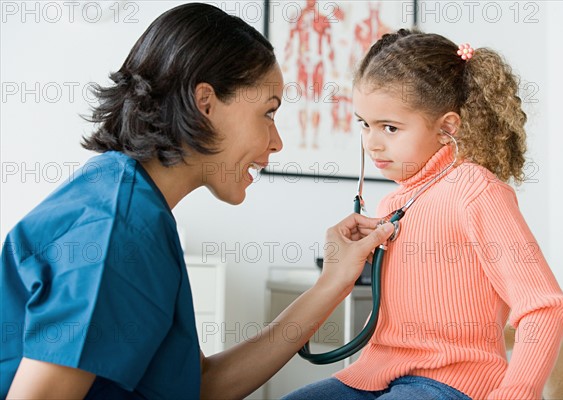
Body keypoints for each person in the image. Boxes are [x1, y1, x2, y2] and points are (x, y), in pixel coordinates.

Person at [0, 3, 396, 399]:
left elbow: (201, 386)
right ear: (205, 103)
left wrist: (332, 282)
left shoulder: (133, 202)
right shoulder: (115, 231)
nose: (276, 143)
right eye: (268, 114)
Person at [283, 29, 563, 400]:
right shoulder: (391, 206)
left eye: (389, 127)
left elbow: (545, 308)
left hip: (453, 382)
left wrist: (516, 391)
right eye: (365, 124)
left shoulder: (476, 190)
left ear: (447, 129)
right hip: (374, 374)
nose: (372, 142)